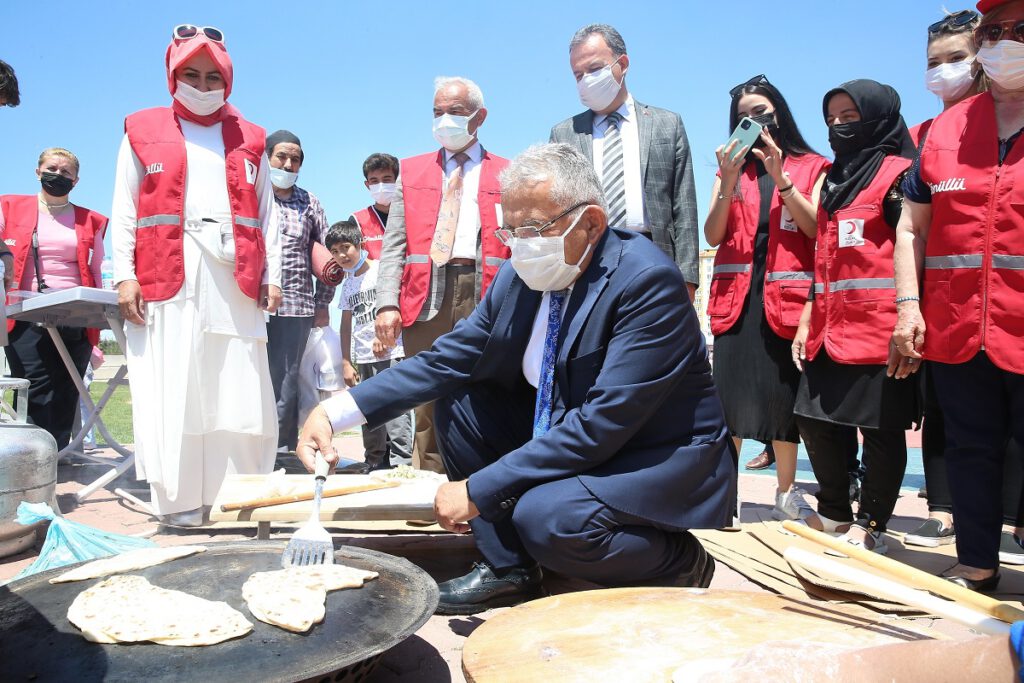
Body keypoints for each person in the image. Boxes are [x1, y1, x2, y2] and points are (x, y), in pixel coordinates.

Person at [299, 143, 734, 615]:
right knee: (461, 397)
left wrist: (476, 489)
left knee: (549, 520)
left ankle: (679, 562)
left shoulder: (647, 282)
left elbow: (602, 424)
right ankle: (510, 568)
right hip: (568, 429)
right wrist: (334, 410)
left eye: (535, 229)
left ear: (590, 222)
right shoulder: (520, 275)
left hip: (647, 452)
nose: (522, 244)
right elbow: (448, 359)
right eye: (512, 230)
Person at [112, 25, 281, 527]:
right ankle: (181, 502)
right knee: (175, 382)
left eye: (213, 77)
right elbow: (124, 209)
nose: (202, 86)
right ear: (172, 75)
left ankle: (237, 498)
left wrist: (270, 273)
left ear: (227, 79)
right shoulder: (141, 130)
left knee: (238, 383)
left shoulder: (252, 137)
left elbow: (266, 212)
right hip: (170, 271)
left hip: (237, 276)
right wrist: (124, 275)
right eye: (191, 74)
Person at [892, 0, 1024, 591]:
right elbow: (911, 228)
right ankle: (977, 561)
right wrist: (908, 306)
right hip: (958, 329)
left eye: (1019, 30)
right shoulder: (946, 129)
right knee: (970, 449)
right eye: (992, 32)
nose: (1003, 42)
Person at [790, 80, 919, 555]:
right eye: (832, 120)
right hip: (829, 327)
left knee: (881, 431)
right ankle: (834, 510)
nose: (839, 127)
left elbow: (915, 248)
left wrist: (910, 319)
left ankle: (874, 523)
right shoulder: (835, 179)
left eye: (850, 117)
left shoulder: (901, 175)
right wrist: (807, 315)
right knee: (811, 417)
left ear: (878, 117)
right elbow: (823, 258)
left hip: (882, 329)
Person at [704, 75, 830, 519]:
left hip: (786, 300)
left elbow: (817, 228)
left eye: (762, 113)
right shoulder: (731, 171)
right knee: (730, 400)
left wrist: (781, 178)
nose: (754, 122)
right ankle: (726, 494)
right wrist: (728, 180)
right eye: (744, 117)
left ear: (779, 113)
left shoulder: (812, 165)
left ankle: (785, 493)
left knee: (782, 399)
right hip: (736, 299)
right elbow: (713, 234)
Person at [374, 76, 510, 474]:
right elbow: (394, 244)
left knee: (485, 391)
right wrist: (386, 303)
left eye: (455, 112)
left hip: (485, 293)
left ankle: (480, 487)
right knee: (427, 397)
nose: (444, 120)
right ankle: (428, 487)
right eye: (438, 112)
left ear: (479, 117)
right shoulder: (411, 170)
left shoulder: (507, 172)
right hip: (426, 295)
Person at [550, 24, 700, 300]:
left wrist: (688, 279)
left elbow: (684, 206)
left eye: (594, 69)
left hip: (652, 256)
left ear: (623, 64)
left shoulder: (667, 125)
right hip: (587, 259)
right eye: (578, 75)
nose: (586, 80)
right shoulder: (564, 134)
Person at [2, 147, 107, 447]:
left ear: (75, 181)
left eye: (65, 172)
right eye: (52, 168)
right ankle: (32, 456)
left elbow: (96, 271)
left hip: (75, 314)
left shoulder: (91, 220)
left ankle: (58, 457)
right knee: (33, 386)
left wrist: (96, 330)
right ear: (38, 171)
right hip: (25, 312)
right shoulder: (9, 206)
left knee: (67, 388)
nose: (57, 175)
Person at [264, 129, 335, 453]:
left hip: (295, 308)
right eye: (282, 156)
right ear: (266, 158)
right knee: (252, 379)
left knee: (285, 382)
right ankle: (249, 450)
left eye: (295, 159)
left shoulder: (309, 202)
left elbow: (329, 255)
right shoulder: (252, 199)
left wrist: (322, 303)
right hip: (250, 306)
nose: (289, 164)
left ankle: (281, 453)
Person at [327, 219, 412, 470]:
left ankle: (401, 464)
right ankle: (374, 461)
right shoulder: (348, 284)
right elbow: (345, 324)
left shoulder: (380, 272)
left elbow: (397, 308)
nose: (342, 255)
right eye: (334, 251)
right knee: (367, 411)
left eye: (345, 247)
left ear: (359, 244)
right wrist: (345, 361)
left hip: (392, 352)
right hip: (364, 357)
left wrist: (384, 337)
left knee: (395, 410)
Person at [350, 153, 399, 260]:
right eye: (374, 181)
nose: (381, 185)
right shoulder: (358, 221)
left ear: (397, 181)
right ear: (367, 185)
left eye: (386, 179)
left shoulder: (413, 216)